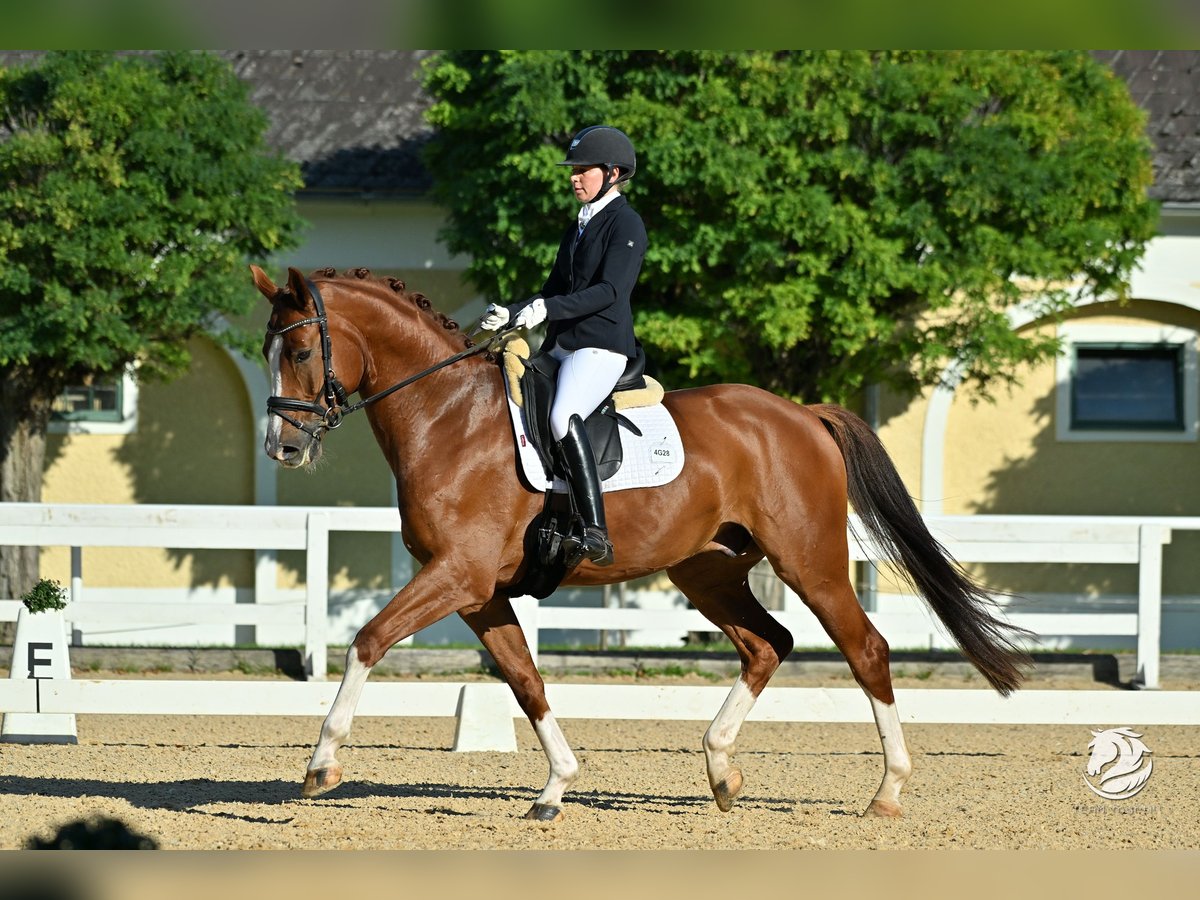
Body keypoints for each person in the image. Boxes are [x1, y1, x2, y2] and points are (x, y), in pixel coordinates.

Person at [480, 125, 647, 567]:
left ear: (612, 173)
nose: (574, 178)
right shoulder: (577, 227)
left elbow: (611, 290)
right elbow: (552, 288)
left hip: (601, 346)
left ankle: (595, 528)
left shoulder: (626, 223)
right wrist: (515, 311)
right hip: (563, 345)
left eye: (582, 170)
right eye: (572, 170)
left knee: (561, 416)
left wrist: (545, 311)